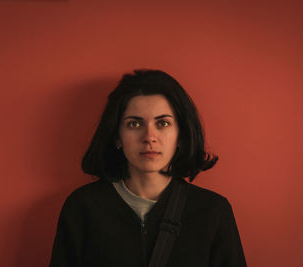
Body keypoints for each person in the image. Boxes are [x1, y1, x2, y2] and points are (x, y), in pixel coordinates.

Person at [49, 69, 247, 267]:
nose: (149, 137)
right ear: (117, 137)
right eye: (134, 124)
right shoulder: (82, 207)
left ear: (181, 135)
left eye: (163, 123)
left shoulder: (213, 211)